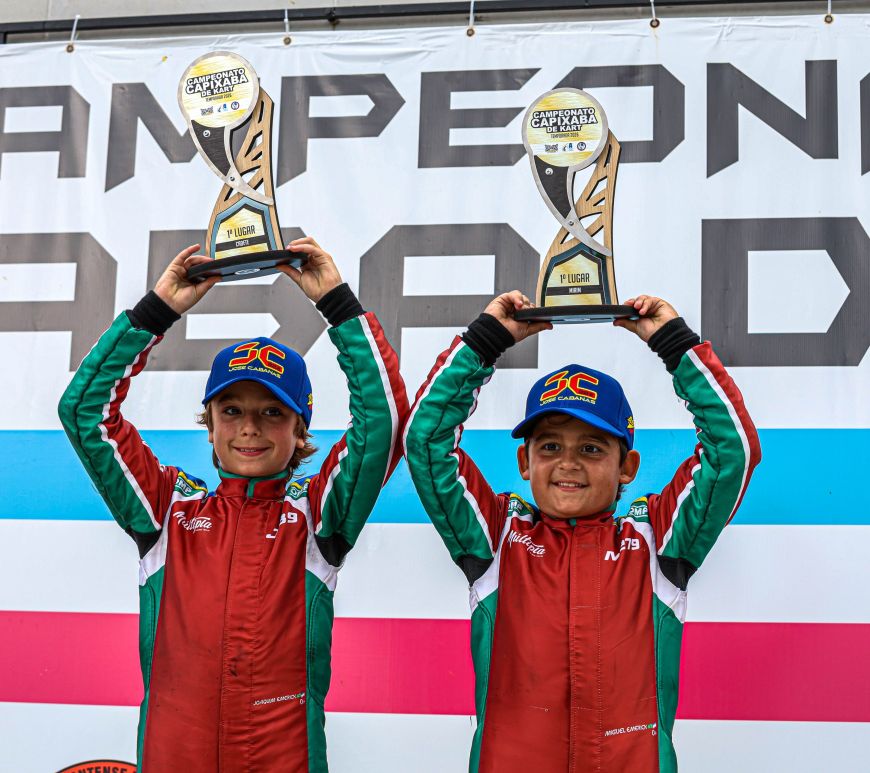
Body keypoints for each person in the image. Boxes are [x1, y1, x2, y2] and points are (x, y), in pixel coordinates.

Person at [58, 239, 408, 772]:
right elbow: (84, 410)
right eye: (232, 410)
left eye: (272, 412)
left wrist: (337, 303)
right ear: (209, 424)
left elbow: (383, 421)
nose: (249, 428)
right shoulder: (167, 511)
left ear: (301, 431)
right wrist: (156, 311)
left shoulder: (319, 516)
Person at [403, 291, 761, 773]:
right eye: (550, 446)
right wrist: (482, 344)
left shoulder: (657, 541)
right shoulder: (496, 536)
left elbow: (732, 450)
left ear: (627, 466)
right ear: (525, 461)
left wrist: (676, 346)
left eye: (592, 448)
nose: (568, 463)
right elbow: (425, 441)